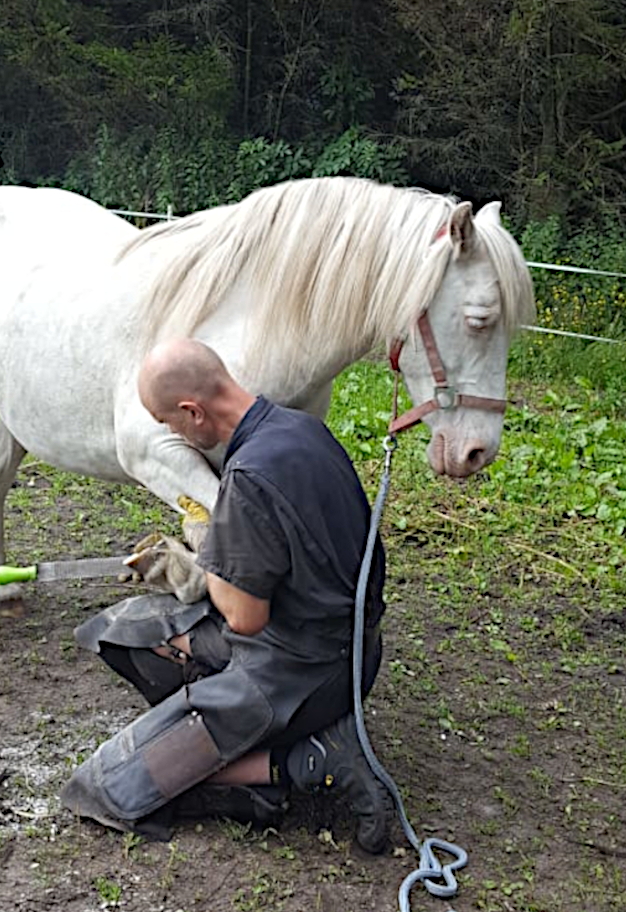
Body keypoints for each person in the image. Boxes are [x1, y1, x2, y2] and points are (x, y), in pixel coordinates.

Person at [61, 338, 393, 852]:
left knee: (107, 786)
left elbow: (243, 617)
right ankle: (218, 729)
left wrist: (206, 559)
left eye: (170, 424)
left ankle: (310, 758)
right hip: (348, 645)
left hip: (302, 672)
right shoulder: (301, 428)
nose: (174, 435)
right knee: (122, 630)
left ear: (193, 412)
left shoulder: (248, 478)